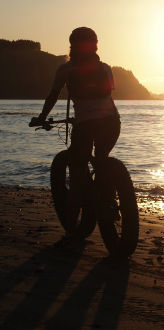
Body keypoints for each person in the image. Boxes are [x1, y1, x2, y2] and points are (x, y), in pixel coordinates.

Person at [30, 27, 121, 243]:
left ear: (72, 45)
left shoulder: (65, 70)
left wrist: (42, 117)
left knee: (78, 170)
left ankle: (72, 227)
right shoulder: (106, 68)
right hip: (111, 123)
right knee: (102, 159)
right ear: (95, 46)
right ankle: (110, 199)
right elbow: (107, 96)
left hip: (85, 125)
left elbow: (53, 96)